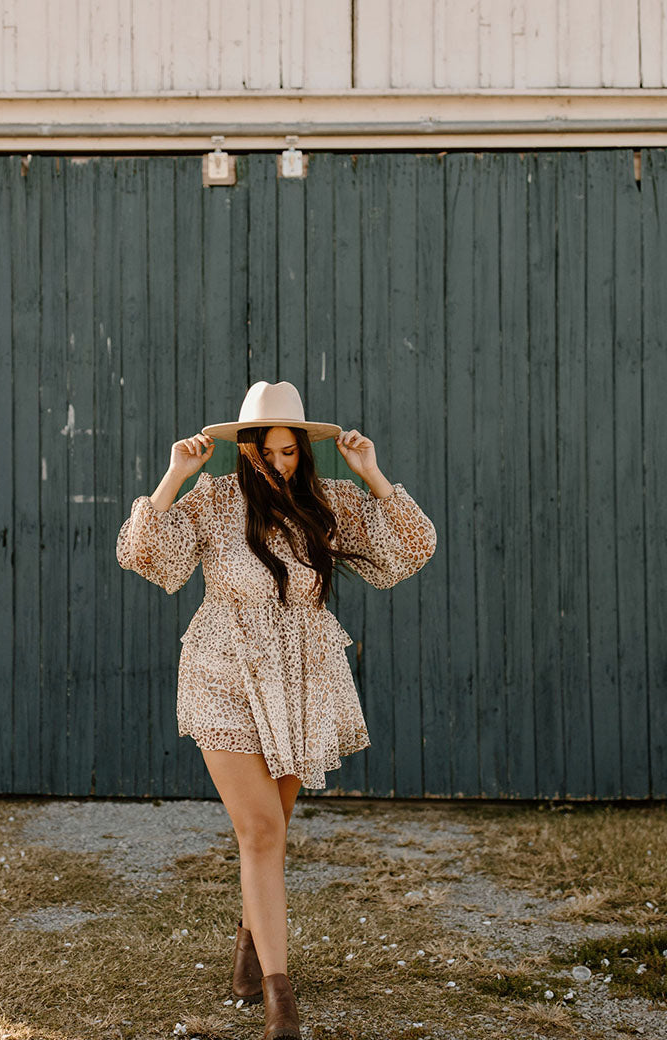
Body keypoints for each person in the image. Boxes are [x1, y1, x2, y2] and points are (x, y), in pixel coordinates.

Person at [116, 380, 436, 1040]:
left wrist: (371, 473)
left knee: (273, 834)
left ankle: (248, 946)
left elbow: (411, 549)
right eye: (266, 451)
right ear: (244, 450)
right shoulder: (215, 501)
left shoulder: (328, 504)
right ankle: (279, 1003)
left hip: (302, 682)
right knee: (260, 833)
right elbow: (144, 553)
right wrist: (176, 475)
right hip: (222, 675)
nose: (278, 463)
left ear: (304, 451)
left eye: (290, 451)